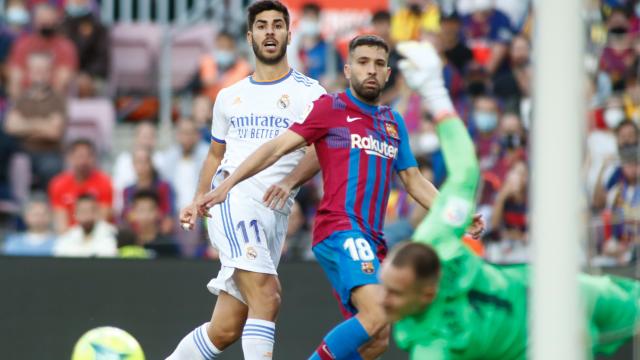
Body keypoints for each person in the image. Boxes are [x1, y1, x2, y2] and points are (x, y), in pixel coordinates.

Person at [197, 34, 482, 359]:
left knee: (377, 339)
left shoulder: (393, 122)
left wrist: (457, 216)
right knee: (376, 313)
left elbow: (414, 181)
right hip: (340, 229)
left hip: (373, 238)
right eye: (363, 63)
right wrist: (227, 184)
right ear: (348, 70)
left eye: (378, 64)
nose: (371, 70)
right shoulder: (331, 108)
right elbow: (276, 147)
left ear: (388, 74)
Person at [380, 40, 640, 359]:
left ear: (428, 292)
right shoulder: (431, 347)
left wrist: (435, 91)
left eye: (394, 292)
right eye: (387, 289)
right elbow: (464, 174)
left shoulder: (434, 239)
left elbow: (464, 174)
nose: (384, 300)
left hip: (558, 295)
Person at [166, 1, 326, 359]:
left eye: (277, 25)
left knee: (225, 329)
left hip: (273, 213)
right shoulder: (229, 96)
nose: (270, 32)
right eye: (262, 25)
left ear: (288, 32)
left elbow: (320, 150)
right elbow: (214, 154)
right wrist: (197, 197)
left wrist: (289, 183)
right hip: (234, 200)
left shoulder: (311, 94)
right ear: (249, 35)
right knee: (267, 294)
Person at [4, 52, 67, 190]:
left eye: (43, 70)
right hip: (22, 150)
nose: (39, 74)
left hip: (49, 151)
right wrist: (42, 124)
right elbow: (10, 126)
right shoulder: (22, 98)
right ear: (29, 73)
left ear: (50, 72)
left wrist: (25, 125)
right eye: (35, 70)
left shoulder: (58, 99)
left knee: (51, 168)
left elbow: (53, 132)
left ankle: (48, 206)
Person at [48, 139, 113, 234]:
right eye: (79, 156)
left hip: (97, 235)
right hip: (70, 236)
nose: (83, 161)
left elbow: (103, 218)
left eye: (88, 156)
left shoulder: (105, 182)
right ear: (70, 158)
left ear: (94, 158)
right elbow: (60, 221)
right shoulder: (58, 184)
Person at [54, 193, 117, 257]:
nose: (87, 216)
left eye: (91, 211)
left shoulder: (112, 234)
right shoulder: (67, 238)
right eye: (82, 211)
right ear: (75, 214)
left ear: (98, 212)